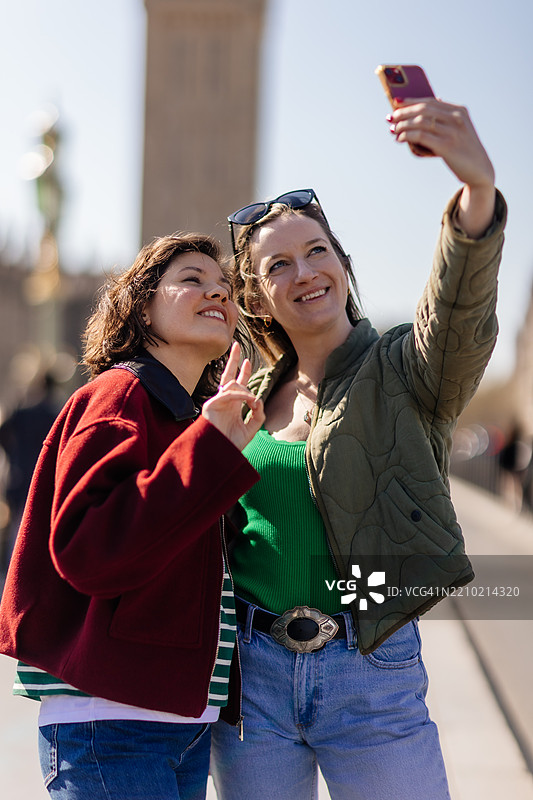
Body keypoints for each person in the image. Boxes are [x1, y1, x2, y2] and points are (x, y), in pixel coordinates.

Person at [210, 97, 507, 799]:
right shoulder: (243, 392)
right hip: (251, 682)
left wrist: (475, 196)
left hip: (365, 669)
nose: (304, 271)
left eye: (317, 251)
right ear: (257, 297)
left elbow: (455, 314)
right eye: (278, 264)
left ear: (342, 265)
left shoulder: (406, 369)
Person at [0, 232, 264, 800]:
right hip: (112, 726)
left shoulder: (182, 414)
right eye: (192, 280)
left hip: (176, 724)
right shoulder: (121, 396)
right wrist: (210, 453)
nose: (217, 292)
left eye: (226, 287)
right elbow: (91, 550)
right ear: (142, 306)